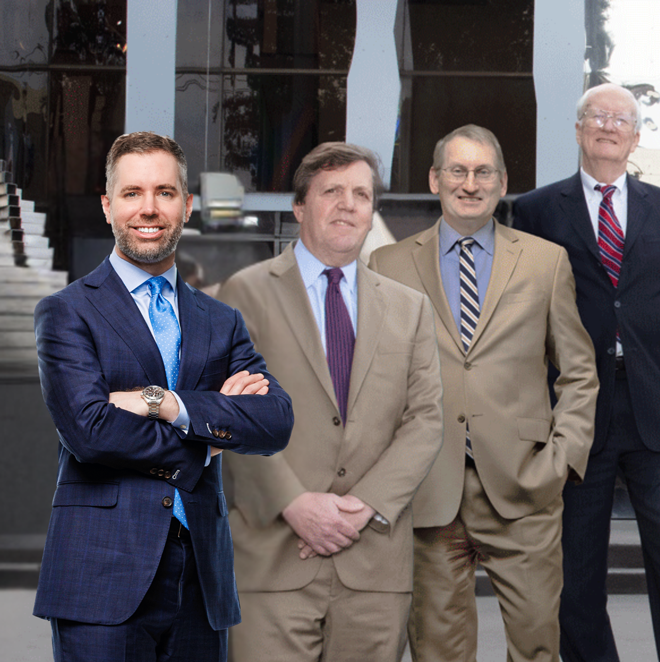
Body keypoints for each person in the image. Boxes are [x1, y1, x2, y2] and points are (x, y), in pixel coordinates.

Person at [32, 131, 294, 661]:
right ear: (107, 206)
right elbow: (91, 431)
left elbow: (274, 420)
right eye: (132, 193)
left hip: (202, 577)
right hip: (101, 576)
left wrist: (169, 404)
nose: (148, 208)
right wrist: (208, 439)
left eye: (165, 192)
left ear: (187, 205)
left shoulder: (220, 321)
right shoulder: (67, 312)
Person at [368, 124, 599, 662]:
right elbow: (374, 381)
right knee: (438, 652)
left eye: (482, 172)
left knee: (537, 647)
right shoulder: (387, 265)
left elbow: (579, 372)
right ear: (435, 179)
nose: (469, 184)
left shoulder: (545, 261)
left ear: (502, 183)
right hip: (428, 491)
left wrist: (561, 459)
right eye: (457, 170)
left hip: (525, 486)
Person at [511, 83, 660, 662]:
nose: (608, 126)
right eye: (596, 117)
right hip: (572, 410)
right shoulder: (535, 210)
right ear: (578, 130)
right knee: (575, 568)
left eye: (620, 119)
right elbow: (523, 320)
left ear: (636, 137)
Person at [215, 142, 443, 662]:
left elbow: (426, 421)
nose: (348, 204)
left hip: (374, 567)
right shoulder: (245, 293)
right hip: (273, 561)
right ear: (300, 206)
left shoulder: (409, 308)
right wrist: (294, 504)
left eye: (361, 194)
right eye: (331, 191)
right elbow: (227, 416)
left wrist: (361, 509)